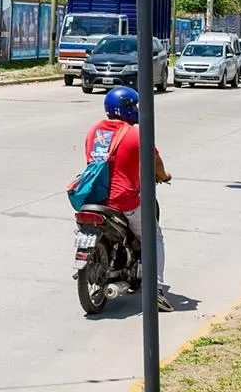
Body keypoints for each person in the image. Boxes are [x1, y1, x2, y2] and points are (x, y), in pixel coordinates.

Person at [83, 86, 173, 312]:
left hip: (93, 197)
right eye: (134, 105)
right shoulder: (136, 134)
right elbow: (156, 163)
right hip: (123, 200)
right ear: (127, 108)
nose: (137, 109)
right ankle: (157, 290)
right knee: (155, 236)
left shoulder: (95, 130)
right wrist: (164, 176)